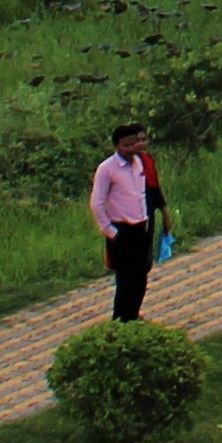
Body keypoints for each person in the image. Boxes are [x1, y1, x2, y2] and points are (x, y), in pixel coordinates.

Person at [90, 122, 166, 320]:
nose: (131, 149)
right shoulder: (107, 169)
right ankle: (120, 320)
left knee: (140, 277)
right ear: (117, 146)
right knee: (125, 279)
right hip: (121, 231)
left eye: (134, 144)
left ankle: (133, 316)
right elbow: (97, 203)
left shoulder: (140, 163)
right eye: (126, 145)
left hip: (141, 228)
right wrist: (110, 231)